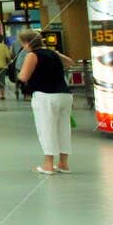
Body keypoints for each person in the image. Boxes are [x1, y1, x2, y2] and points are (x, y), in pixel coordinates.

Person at [17, 30, 75, 175]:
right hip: (65, 95)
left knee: (46, 129)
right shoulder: (53, 53)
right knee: (63, 129)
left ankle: (48, 165)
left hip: (45, 96)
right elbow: (70, 63)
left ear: (26, 43)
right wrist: (53, 53)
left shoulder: (32, 55)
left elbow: (23, 77)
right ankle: (63, 163)